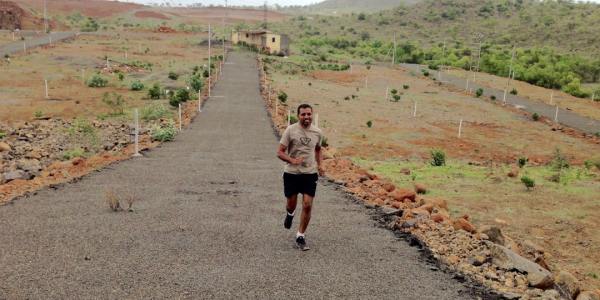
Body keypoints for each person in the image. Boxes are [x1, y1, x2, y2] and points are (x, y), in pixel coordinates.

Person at [277, 103, 324, 251]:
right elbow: (280, 152)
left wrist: (320, 165)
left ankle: (300, 236)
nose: (306, 117)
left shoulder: (317, 132)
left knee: (307, 204)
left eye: (309, 114)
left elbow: (318, 150)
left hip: (310, 173)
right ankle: (290, 214)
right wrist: (291, 160)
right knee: (291, 204)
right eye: (303, 114)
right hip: (291, 173)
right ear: (298, 116)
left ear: (312, 115)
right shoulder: (291, 130)